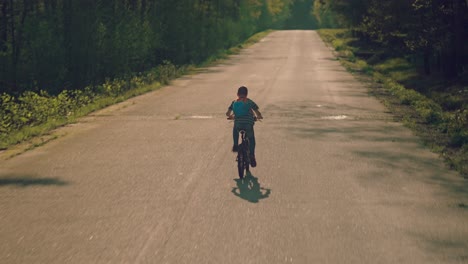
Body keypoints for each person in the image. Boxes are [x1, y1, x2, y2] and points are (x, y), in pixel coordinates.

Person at [226, 86, 263, 167]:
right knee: (251, 138)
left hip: (238, 124)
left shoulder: (234, 102)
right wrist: (259, 116)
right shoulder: (249, 102)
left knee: (235, 128)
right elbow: (257, 112)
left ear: (237, 94)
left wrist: (232, 116)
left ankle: (235, 145)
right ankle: (252, 155)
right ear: (247, 94)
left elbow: (227, 113)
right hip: (248, 124)